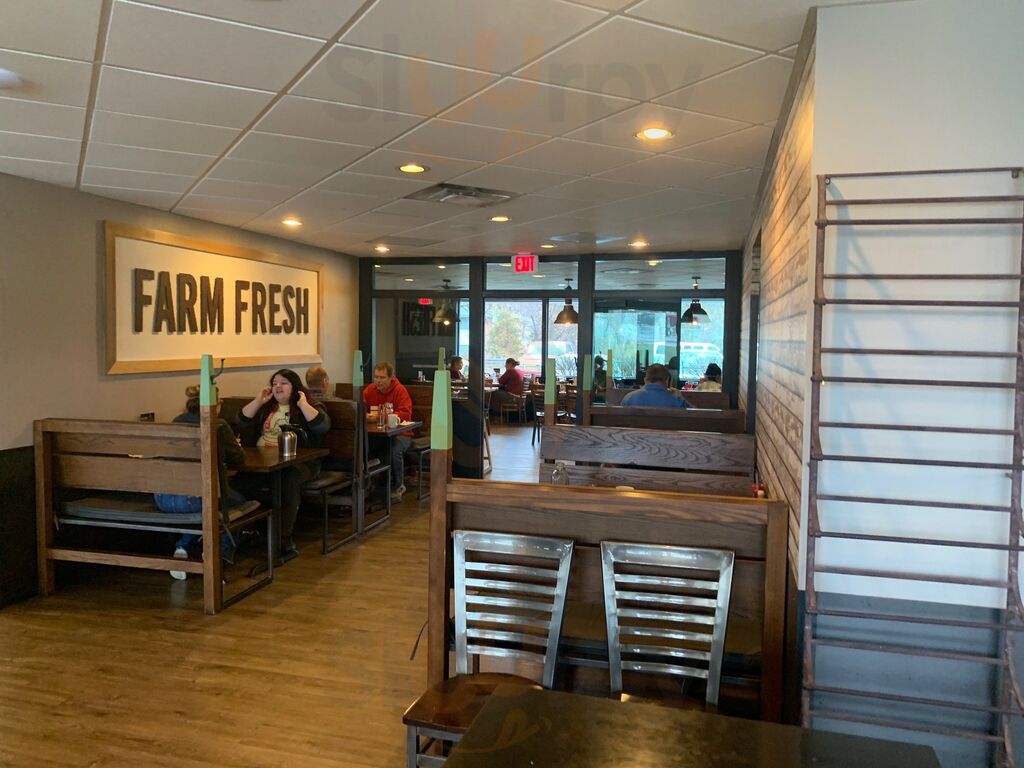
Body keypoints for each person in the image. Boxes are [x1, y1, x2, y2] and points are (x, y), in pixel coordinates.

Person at [154, 385, 247, 580]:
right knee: (237, 504)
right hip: (195, 498)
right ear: (216, 404)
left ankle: (183, 548)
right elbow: (238, 458)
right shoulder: (218, 425)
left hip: (163, 498)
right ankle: (217, 555)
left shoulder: (176, 422)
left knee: (206, 509)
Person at [236, 369, 330, 556]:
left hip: (300, 464)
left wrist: (303, 403)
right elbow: (241, 421)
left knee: (289, 479)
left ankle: (283, 539)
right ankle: (245, 532)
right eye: (274, 383)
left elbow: (322, 426)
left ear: (294, 387)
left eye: (284, 383)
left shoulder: (307, 405)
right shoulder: (266, 407)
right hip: (264, 463)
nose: (278, 386)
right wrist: (258, 401)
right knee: (238, 482)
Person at [362, 362, 414, 501]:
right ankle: (369, 486)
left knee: (394, 450)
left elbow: (405, 413)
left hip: (401, 433)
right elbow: (360, 408)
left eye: (382, 377)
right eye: (376, 377)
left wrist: (381, 416)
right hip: (378, 434)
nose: (378, 381)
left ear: (391, 378)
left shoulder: (400, 390)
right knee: (363, 447)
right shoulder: (369, 390)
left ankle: (398, 486)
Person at [621, 364, 691, 408]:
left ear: (645, 379)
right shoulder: (676, 399)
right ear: (667, 380)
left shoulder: (629, 398)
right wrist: (680, 396)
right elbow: (693, 416)